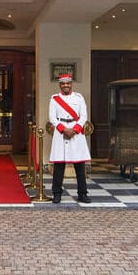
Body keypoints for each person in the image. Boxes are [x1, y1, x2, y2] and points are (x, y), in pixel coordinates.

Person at [49, 74, 91, 203]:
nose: (65, 85)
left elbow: (83, 115)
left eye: (68, 83)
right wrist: (64, 129)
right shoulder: (54, 99)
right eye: (63, 84)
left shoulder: (79, 98)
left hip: (75, 132)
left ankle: (82, 193)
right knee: (59, 166)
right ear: (60, 85)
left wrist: (76, 129)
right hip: (61, 132)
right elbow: (52, 118)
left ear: (71, 84)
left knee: (79, 166)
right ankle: (57, 193)